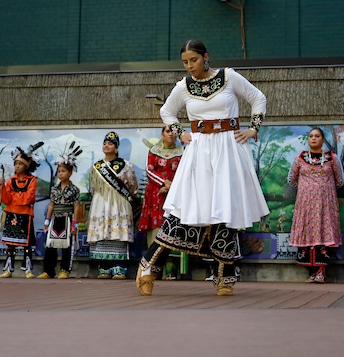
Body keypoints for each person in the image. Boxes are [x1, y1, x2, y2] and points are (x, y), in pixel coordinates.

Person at [136, 39, 269, 296]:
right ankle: (149, 264)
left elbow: (258, 98)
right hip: (199, 151)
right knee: (188, 206)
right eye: (185, 62)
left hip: (229, 149)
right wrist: (179, 132)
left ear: (205, 57)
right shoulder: (183, 87)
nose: (189, 66)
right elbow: (167, 111)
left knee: (225, 208)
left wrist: (253, 129)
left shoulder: (229, 77)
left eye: (193, 60)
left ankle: (224, 275)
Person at [288, 128, 344, 283]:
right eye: (311, 136)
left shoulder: (332, 158)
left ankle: (321, 271)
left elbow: (340, 180)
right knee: (307, 233)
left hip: (326, 204)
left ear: (323, 139)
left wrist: (323, 189)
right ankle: (311, 271)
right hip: (305, 204)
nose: (313, 138)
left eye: (317, 136)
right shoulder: (300, 158)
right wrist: (307, 190)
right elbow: (291, 179)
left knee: (323, 231)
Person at [87, 131, 138, 279]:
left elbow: (133, 187)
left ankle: (119, 267)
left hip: (118, 202)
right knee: (103, 231)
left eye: (110, 144)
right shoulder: (96, 167)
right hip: (101, 201)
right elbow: (92, 187)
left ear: (116, 148)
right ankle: (104, 267)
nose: (106, 146)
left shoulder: (126, 165)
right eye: (105, 143)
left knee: (116, 230)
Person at [138, 125, 184, 279]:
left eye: (174, 131)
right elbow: (150, 170)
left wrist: (172, 187)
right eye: (168, 131)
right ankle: (153, 270)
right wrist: (165, 183)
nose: (171, 134)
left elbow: (184, 172)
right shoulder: (153, 151)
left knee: (173, 230)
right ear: (162, 134)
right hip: (155, 195)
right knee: (156, 230)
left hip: (175, 195)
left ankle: (171, 271)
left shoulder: (182, 152)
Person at [0, 141, 44, 278]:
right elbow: (6, 199)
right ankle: (8, 270)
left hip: (25, 215)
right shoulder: (11, 180)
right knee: (10, 244)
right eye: (16, 164)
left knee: (26, 244)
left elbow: (28, 198)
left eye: (20, 164)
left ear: (27, 166)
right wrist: (2, 188)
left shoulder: (32, 180)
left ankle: (28, 270)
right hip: (11, 214)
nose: (17, 166)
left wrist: (13, 197)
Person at [37, 142, 82, 279]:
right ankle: (48, 270)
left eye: (63, 171)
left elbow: (77, 207)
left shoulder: (74, 189)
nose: (60, 174)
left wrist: (75, 223)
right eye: (59, 171)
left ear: (70, 172)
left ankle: (65, 270)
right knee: (50, 245)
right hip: (55, 218)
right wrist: (47, 220)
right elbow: (51, 205)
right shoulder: (54, 189)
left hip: (68, 218)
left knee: (67, 245)